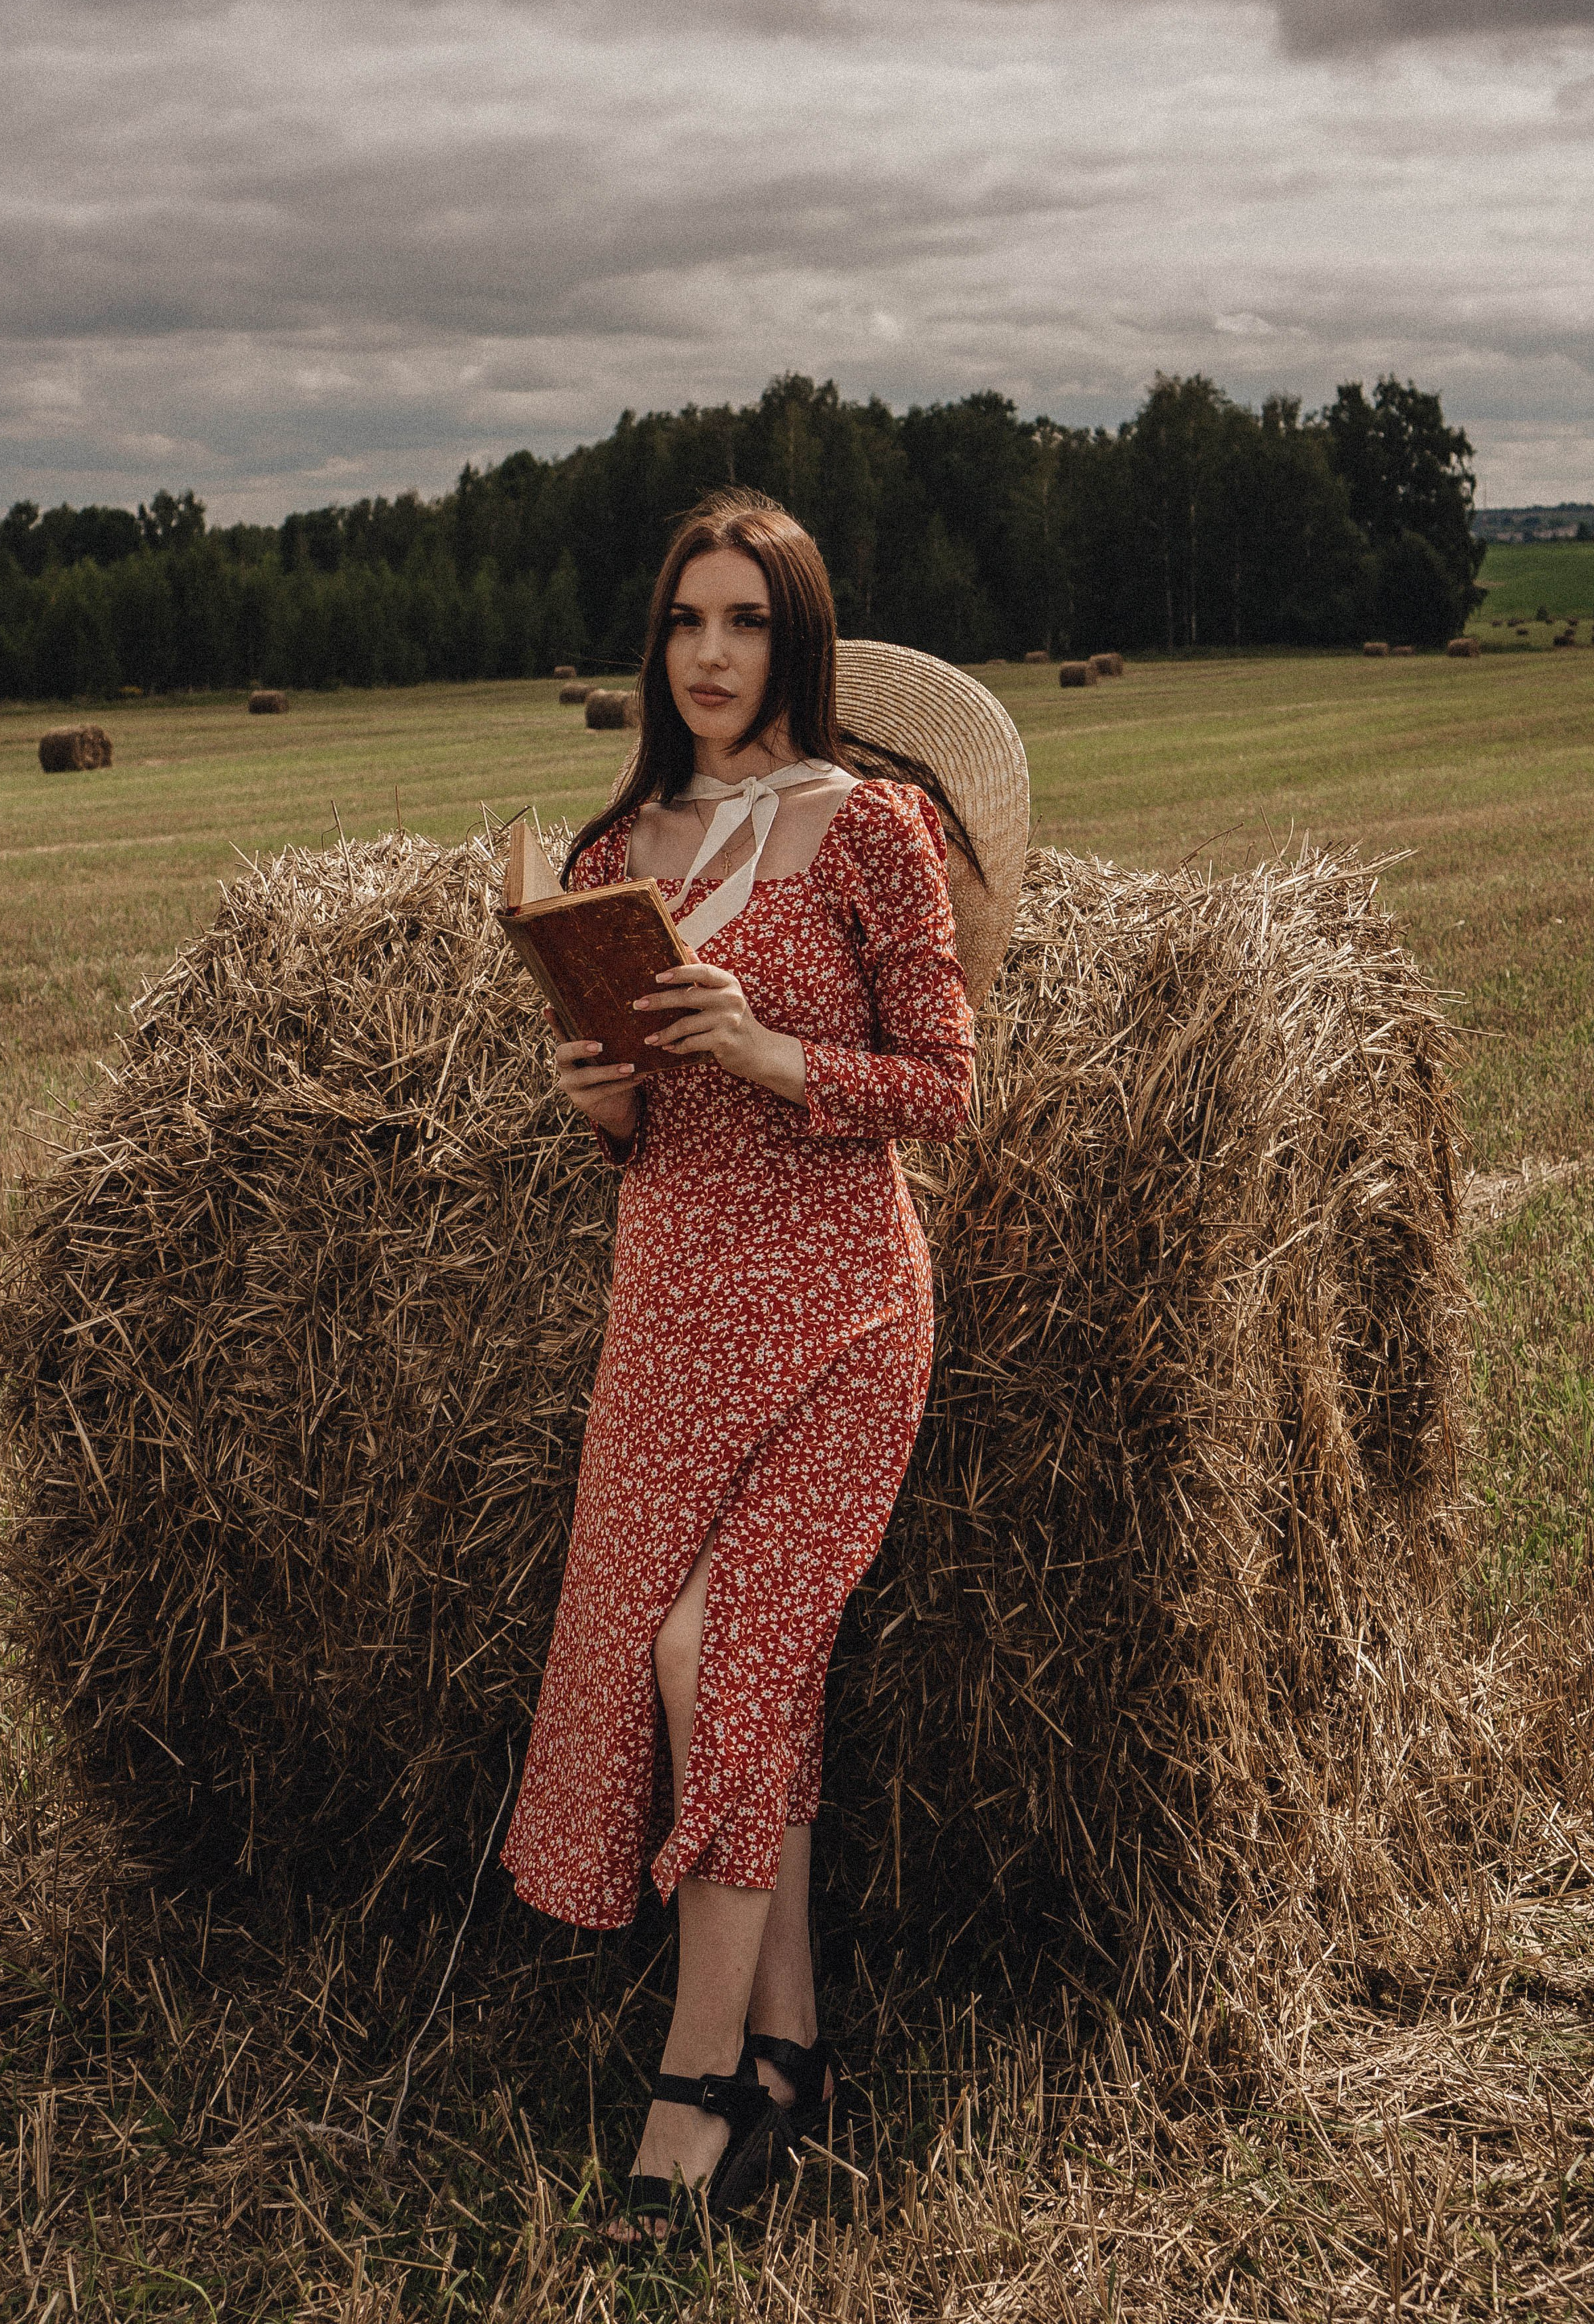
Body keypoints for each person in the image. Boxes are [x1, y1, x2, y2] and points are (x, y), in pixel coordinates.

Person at [501, 488, 981, 2239]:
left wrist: (771, 1052)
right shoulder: (617, 845)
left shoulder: (871, 825)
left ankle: (694, 2085)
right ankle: (794, 2047)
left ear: (798, 637)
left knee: (722, 1657)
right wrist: (603, 1095)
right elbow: (638, 1130)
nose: (711, 654)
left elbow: (941, 1085)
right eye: (688, 621)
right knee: (704, 1680)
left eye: (747, 621)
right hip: (674, 1319)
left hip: (845, 1311)